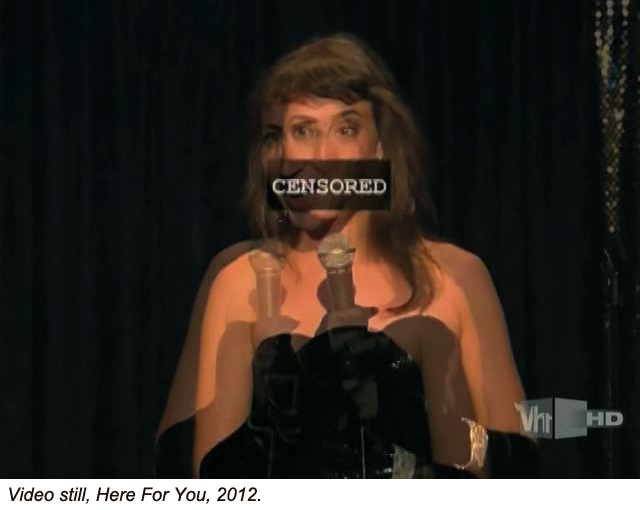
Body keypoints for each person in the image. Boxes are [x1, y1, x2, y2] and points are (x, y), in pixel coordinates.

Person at [154, 33, 540, 479]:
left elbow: (512, 463)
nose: (323, 156)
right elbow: (209, 484)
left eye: (346, 128)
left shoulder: (454, 278)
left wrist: (414, 433)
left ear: (379, 147)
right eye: (304, 131)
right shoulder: (240, 283)